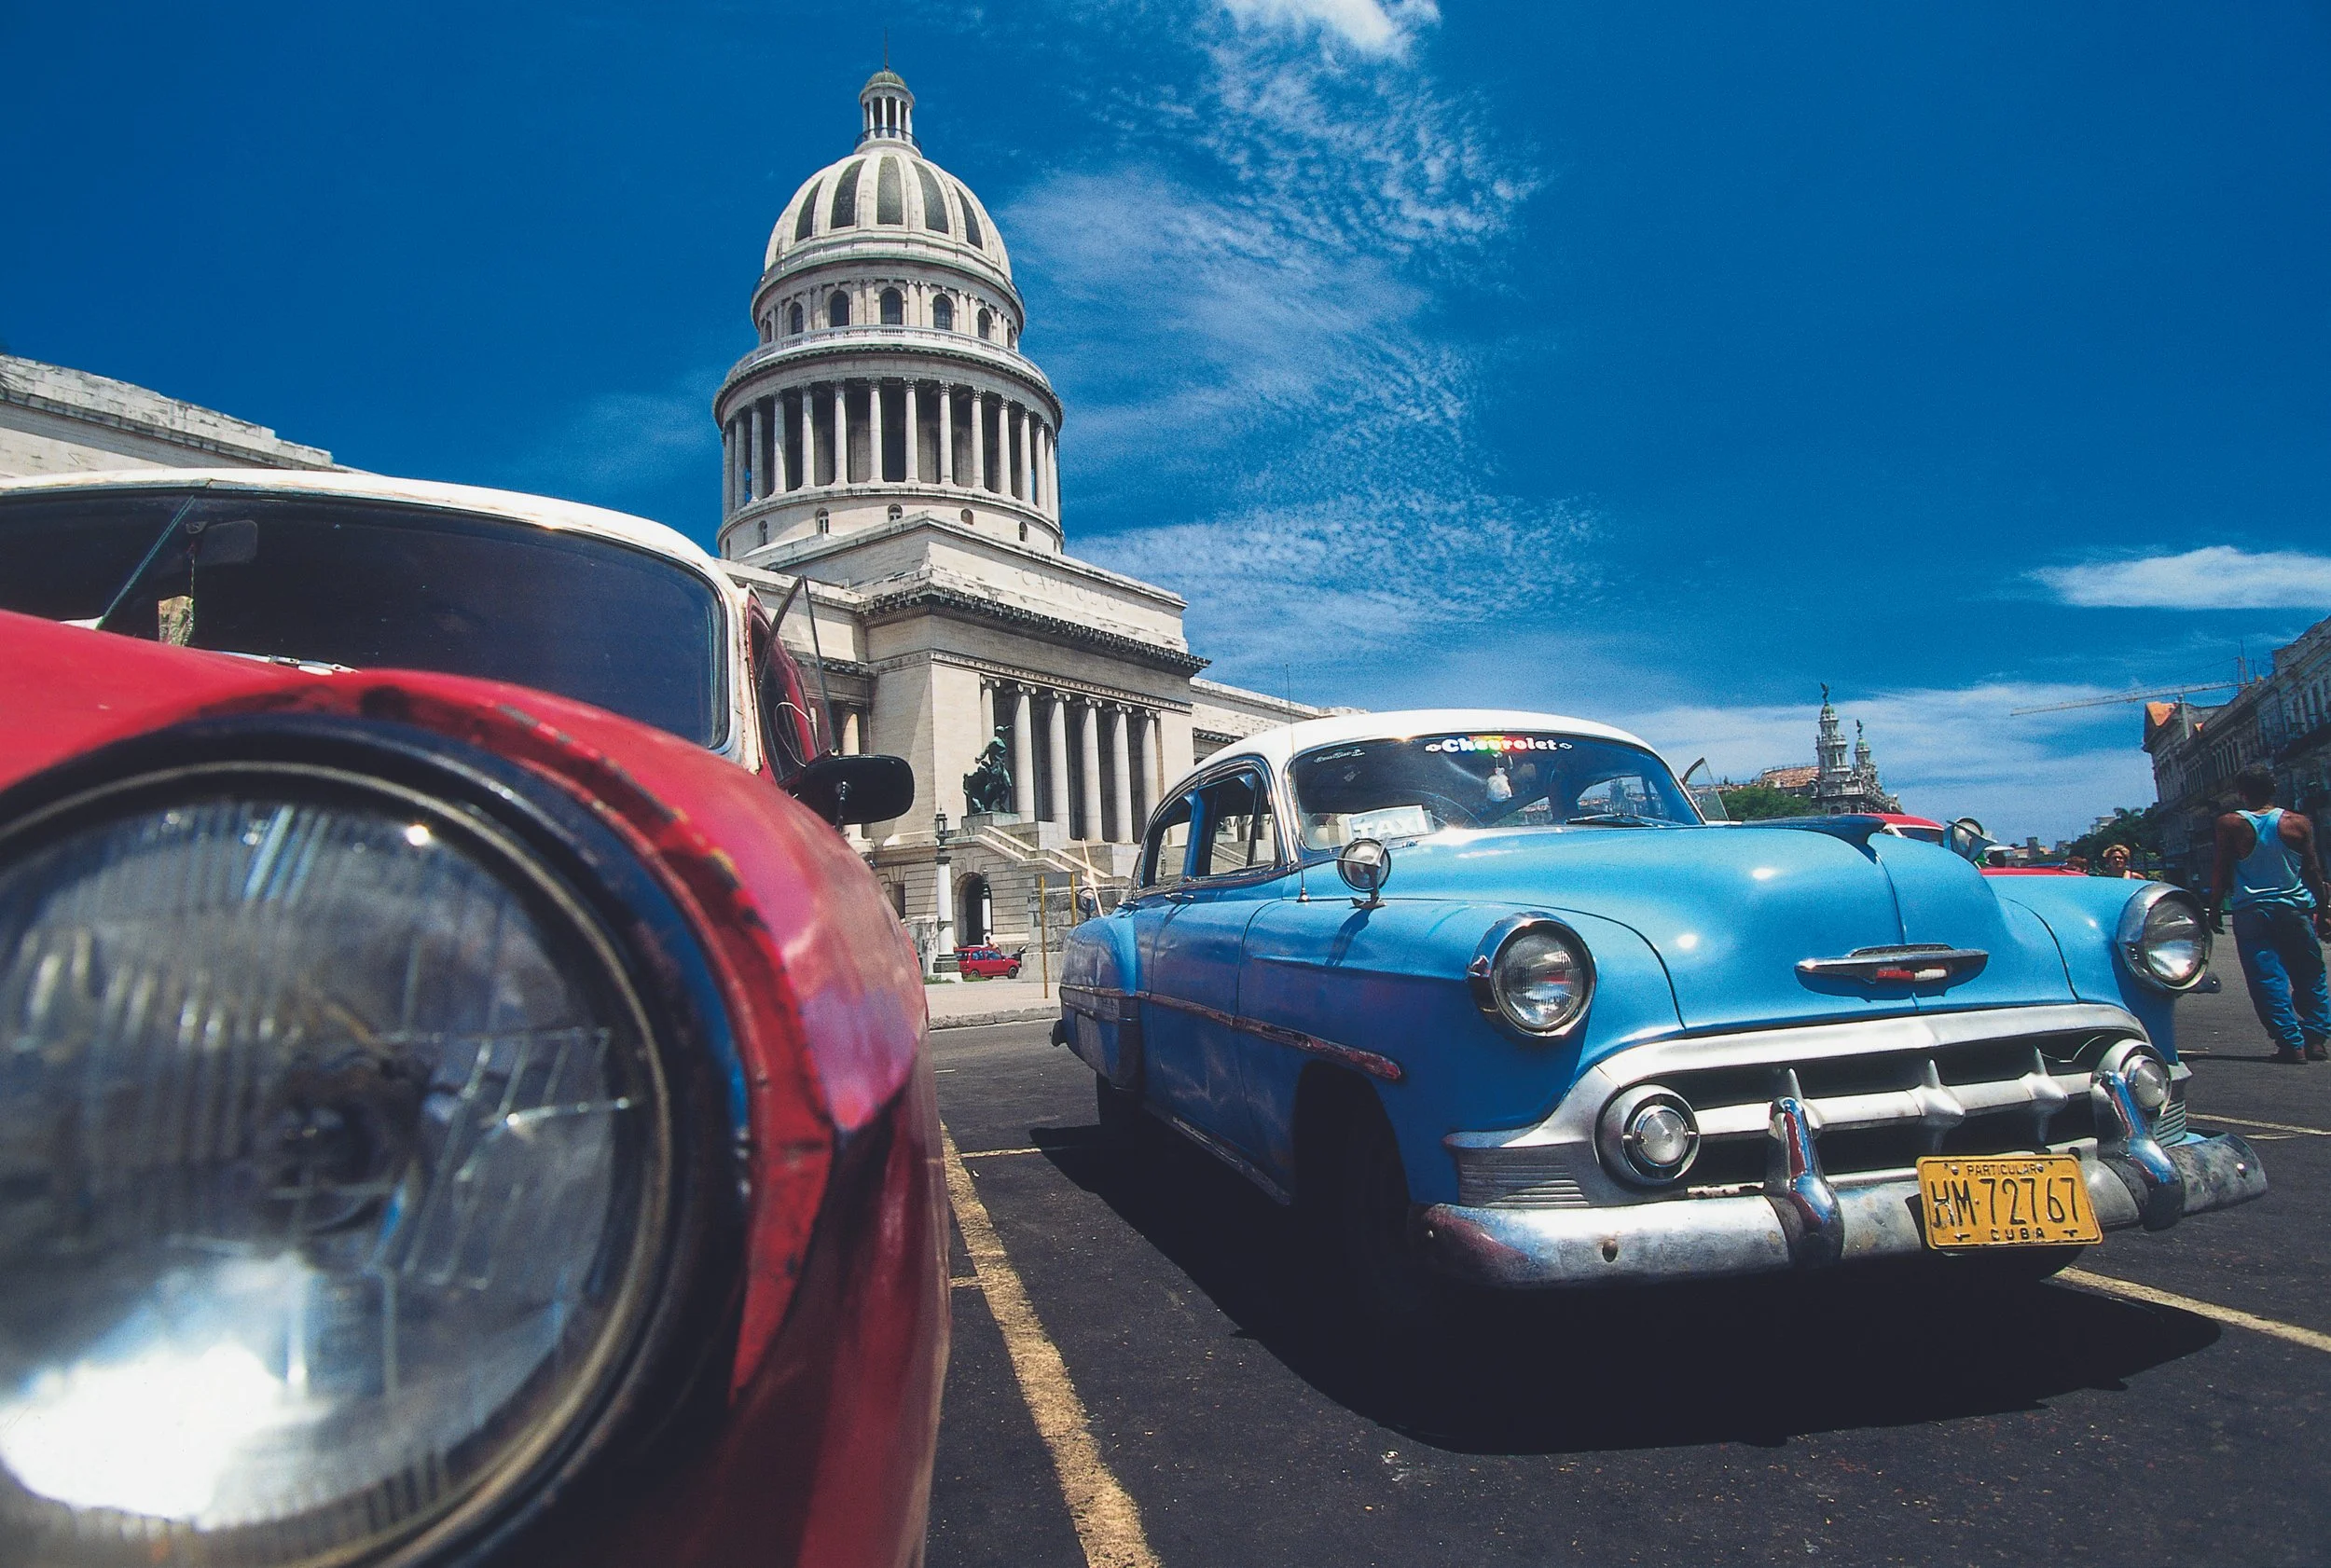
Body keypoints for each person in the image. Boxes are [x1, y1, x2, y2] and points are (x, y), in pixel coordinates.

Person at [2207, 764, 2331, 1064]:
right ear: (2274, 788)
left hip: (2252, 910)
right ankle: (2316, 1039)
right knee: (2310, 974)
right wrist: (2323, 909)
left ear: (2241, 792)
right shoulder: (2297, 823)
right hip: (2295, 908)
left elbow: (2222, 867)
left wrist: (2214, 906)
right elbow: (2313, 870)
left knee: (2266, 978)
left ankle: (2290, 1043)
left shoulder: (2231, 823)